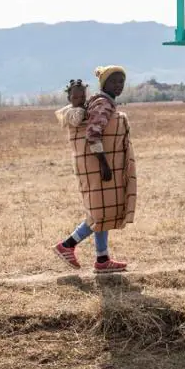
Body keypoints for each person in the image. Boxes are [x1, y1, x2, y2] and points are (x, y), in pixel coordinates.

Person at [53, 66, 137, 274]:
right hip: (99, 164)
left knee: (102, 210)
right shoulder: (103, 104)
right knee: (101, 212)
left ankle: (102, 259)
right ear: (103, 84)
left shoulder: (102, 101)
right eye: (114, 82)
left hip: (97, 164)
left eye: (121, 82)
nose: (118, 86)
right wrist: (104, 164)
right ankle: (67, 245)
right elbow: (93, 133)